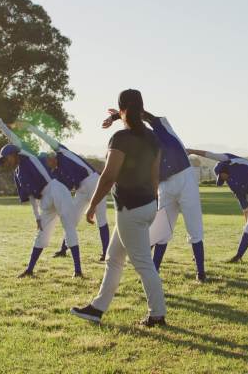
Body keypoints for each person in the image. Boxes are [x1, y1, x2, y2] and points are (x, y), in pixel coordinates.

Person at [71, 89, 167, 327]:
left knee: (143, 263)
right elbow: (155, 177)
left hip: (130, 210)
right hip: (145, 206)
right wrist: (153, 204)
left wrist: (92, 206)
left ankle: (157, 314)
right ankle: (97, 308)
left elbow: (108, 176)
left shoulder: (121, 138)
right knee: (114, 258)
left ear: (122, 109)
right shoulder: (153, 138)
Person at [102, 107, 207, 283]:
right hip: (165, 184)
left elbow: (143, 114)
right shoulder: (144, 142)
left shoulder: (162, 126)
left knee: (194, 227)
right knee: (161, 229)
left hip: (184, 177)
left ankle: (201, 273)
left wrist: (116, 116)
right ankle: (154, 270)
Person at [0, 111, 83, 278]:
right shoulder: (18, 174)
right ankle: (29, 270)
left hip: (56, 189)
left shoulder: (24, 152)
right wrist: (37, 217)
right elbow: (30, 197)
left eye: (5, 158)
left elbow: (9, 134)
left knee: (68, 227)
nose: (5, 162)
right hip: (45, 198)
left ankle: (78, 270)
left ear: (13, 154)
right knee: (42, 233)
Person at [13, 121, 110, 261]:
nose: (48, 164)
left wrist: (30, 127)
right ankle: (63, 250)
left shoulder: (61, 151)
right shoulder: (56, 173)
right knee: (71, 219)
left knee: (101, 218)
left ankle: (105, 252)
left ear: (51, 156)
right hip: (81, 190)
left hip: (94, 181)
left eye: (47, 160)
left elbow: (43, 136)